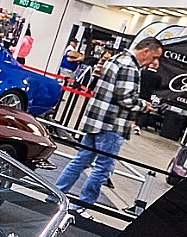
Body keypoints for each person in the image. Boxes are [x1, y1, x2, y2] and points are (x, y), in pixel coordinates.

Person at [53, 37, 161, 208]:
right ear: (146, 51)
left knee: (81, 160)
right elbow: (125, 98)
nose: (154, 62)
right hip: (112, 123)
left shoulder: (116, 59)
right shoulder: (130, 66)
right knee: (103, 167)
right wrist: (143, 105)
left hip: (96, 119)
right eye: (154, 57)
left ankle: (55, 195)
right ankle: (83, 205)